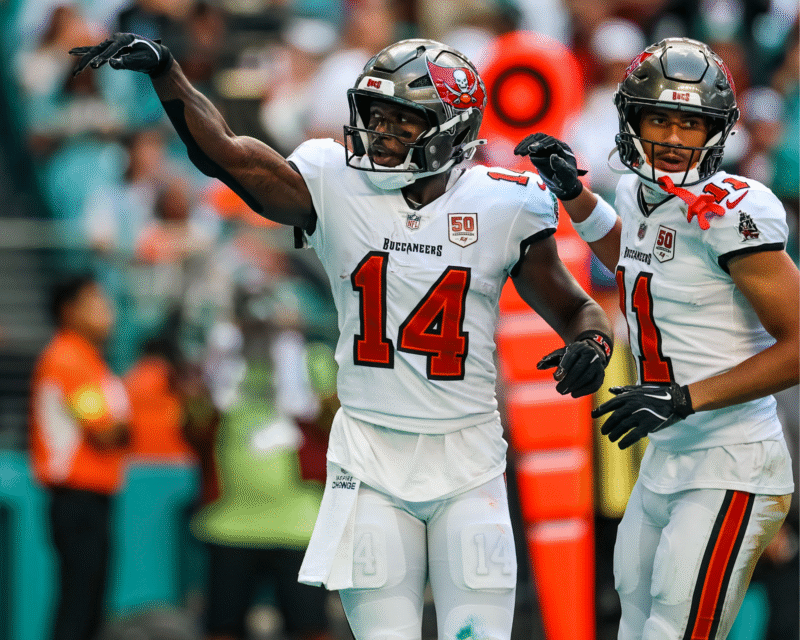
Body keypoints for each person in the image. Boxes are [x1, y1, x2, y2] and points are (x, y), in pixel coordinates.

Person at [69, 34, 615, 640]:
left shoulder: (503, 202)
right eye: (376, 116)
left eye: (402, 121)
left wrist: (593, 344)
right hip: (369, 458)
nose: (380, 133)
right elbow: (227, 155)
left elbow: (577, 308)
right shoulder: (334, 179)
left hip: (470, 458)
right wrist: (168, 72)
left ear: (451, 129)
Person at [514, 37, 798, 640]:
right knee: (636, 625)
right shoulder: (636, 192)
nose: (672, 137)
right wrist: (574, 197)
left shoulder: (734, 211)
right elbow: (640, 262)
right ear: (631, 120)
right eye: (659, 119)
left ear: (715, 130)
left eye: (689, 123)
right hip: (668, 456)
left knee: (673, 630)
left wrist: (686, 397)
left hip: (731, 460)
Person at [29, 274, 131, 640]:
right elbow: (105, 433)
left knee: (90, 607)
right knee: (78, 607)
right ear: (69, 311)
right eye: (95, 303)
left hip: (94, 496)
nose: (107, 310)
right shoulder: (68, 358)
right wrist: (124, 428)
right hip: (76, 497)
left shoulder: (90, 360)